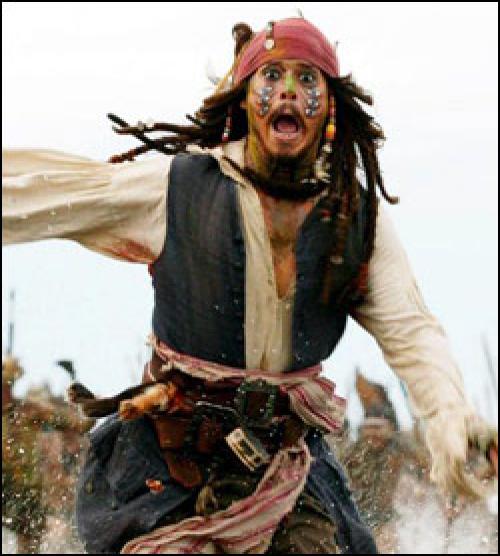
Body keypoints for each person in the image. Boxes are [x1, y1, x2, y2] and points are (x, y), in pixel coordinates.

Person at [2, 17, 497, 555]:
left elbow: (413, 331)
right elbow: (59, 197)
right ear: (246, 100)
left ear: (330, 108)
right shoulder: (179, 188)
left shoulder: (354, 219)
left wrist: (450, 417)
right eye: (272, 77)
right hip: (172, 464)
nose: (288, 92)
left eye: (307, 79)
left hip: (285, 464)